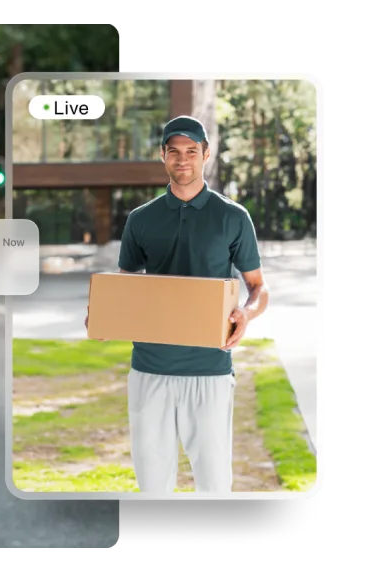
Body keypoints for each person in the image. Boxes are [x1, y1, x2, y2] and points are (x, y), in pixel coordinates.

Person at [85, 115, 269, 494]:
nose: (182, 159)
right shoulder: (141, 219)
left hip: (210, 370)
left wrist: (246, 314)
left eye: (191, 151)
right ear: (163, 157)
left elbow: (258, 287)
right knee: (152, 483)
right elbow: (126, 287)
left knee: (214, 483)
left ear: (206, 155)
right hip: (150, 370)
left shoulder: (233, 217)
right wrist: (105, 316)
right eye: (174, 152)